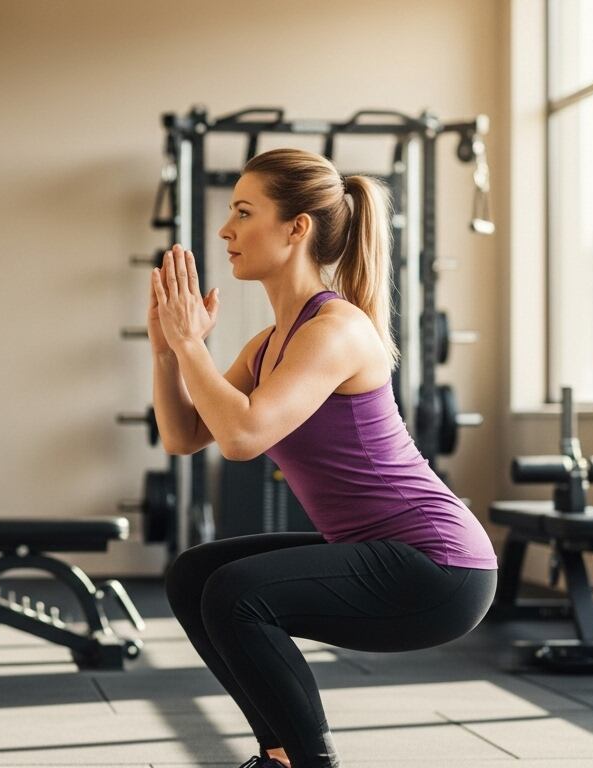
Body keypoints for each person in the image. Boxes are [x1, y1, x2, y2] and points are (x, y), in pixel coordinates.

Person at [150, 148, 498, 768]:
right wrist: (167, 352)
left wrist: (191, 346)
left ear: (296, 227)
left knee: (235, 593)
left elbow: (242, 438)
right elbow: (184, 436)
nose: (226, 231)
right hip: (382, 554)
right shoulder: (269, 345)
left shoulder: (336, 329)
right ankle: (282, 757)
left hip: (439, 567)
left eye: (243, 211)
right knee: (194, 576)